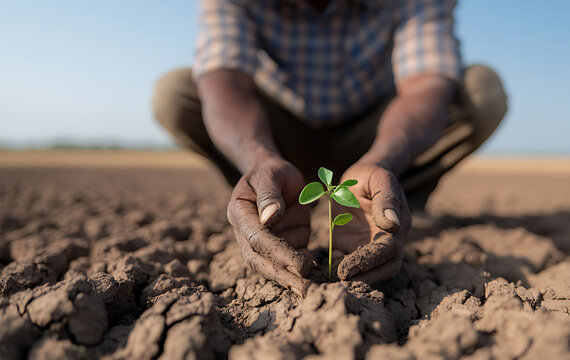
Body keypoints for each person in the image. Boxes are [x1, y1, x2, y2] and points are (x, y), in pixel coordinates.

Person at [153, 0, 507, 297]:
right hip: (278, 132)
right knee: (176, 93)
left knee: (481, 91)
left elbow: (425, 86)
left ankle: (395, 196)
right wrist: (260, 158)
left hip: (374, 133)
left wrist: (381, 160)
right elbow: (225, 78)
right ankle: (262, 198)